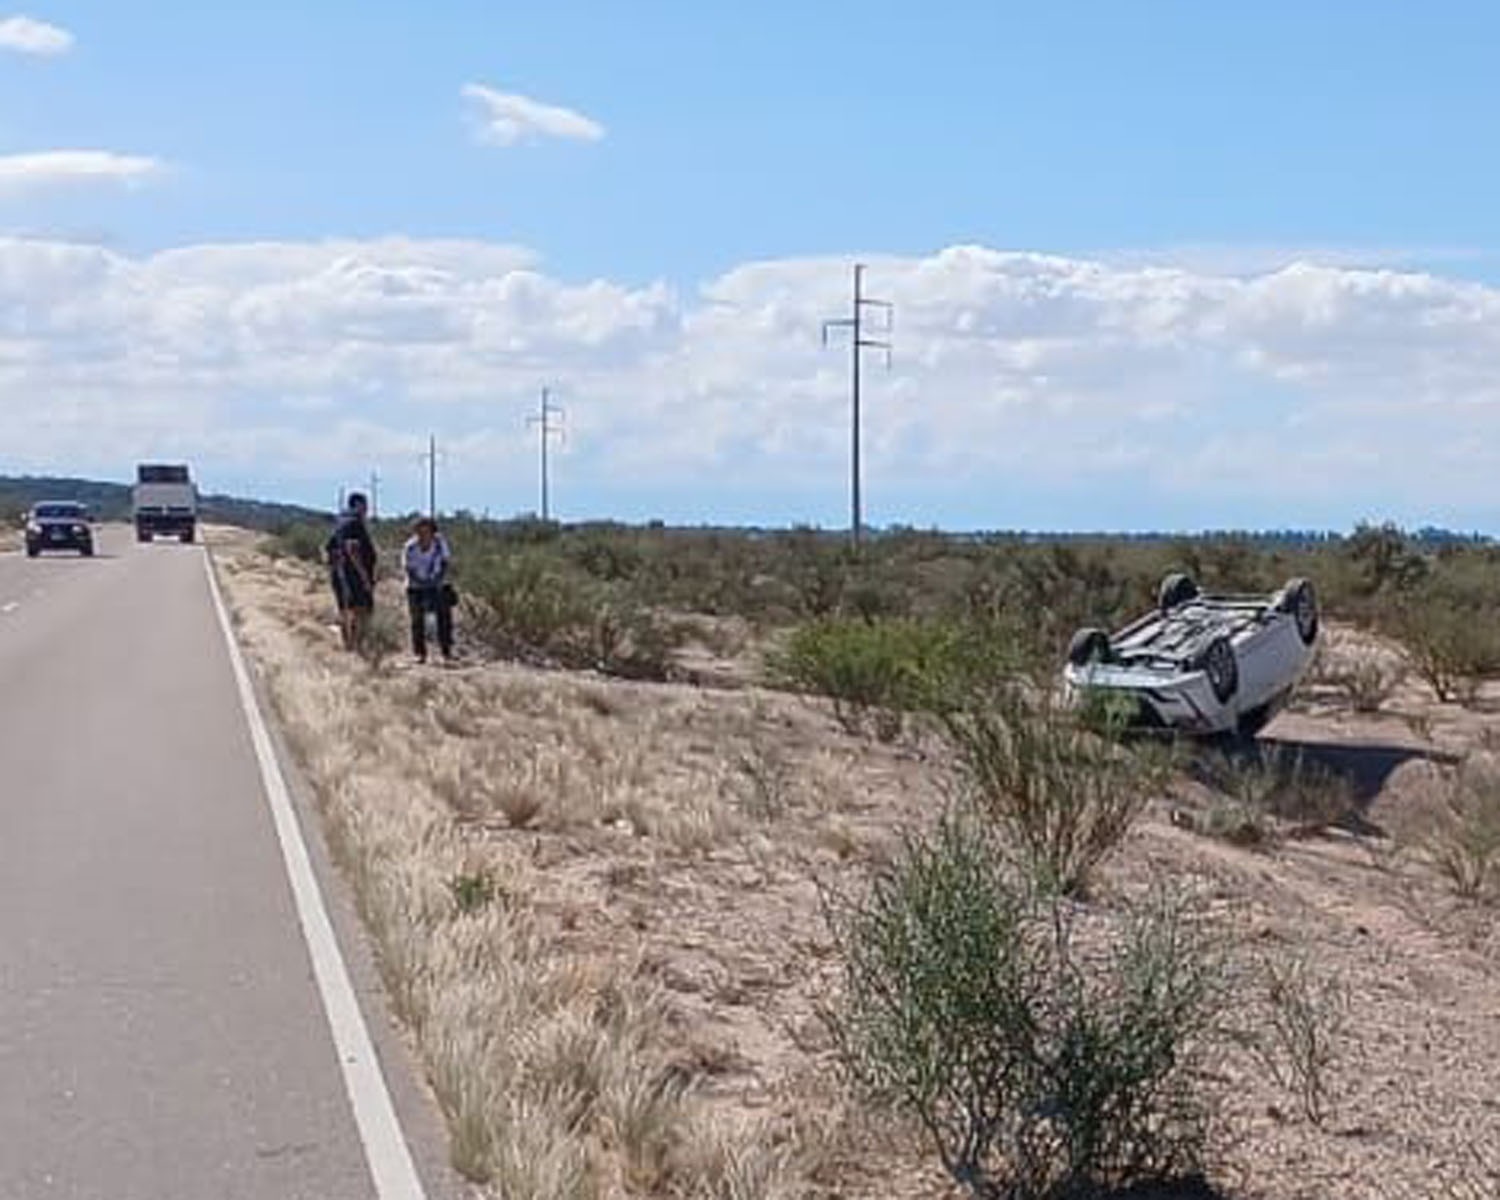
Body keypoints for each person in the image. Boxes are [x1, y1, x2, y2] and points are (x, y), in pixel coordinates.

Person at [326, 492, 378, 652]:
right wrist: (364, 578)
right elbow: (352, 549)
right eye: (365, 505)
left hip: (340, 573)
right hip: (354, 576)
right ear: (357, 505)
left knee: (346, 611)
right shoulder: (354, 523)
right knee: (361, 611)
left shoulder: (340, 523)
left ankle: (349, 646)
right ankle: (357, 647)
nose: (367, 509)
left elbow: (329, 548)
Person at [403, 516, 455, 663]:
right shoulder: (410, 547)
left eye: (426, 532)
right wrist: (421, 582)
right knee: (417, 619)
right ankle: (419, 653)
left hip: (438, 584)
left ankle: (446, 652)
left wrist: (436, 580)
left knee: (444, 618)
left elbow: (445, 563)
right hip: (415, 586)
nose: (423, 535)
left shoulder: (440, 543)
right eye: (419, 532)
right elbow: (408, 568)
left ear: (432, 532)